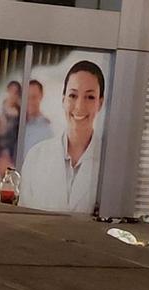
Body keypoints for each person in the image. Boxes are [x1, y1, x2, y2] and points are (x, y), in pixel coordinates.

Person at [19, 61, 106, 214]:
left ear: (100, 103)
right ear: (63, 99)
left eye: (90, 97)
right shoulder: (36, 156)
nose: (79, 106)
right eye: (73, 95)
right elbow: (23, 219)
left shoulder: (109, 164)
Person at [0, 81, 22, 175]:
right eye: (11, 91)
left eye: (16, 93)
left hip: (14, 152)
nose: (13, 95)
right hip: (0, 151)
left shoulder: (20, 112)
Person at [23, 79, 53, 156]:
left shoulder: (47, 130)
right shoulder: (14, 122)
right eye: (27, 97)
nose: (29, 101)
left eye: (33, 97)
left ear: (41, 96)